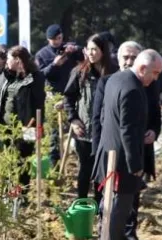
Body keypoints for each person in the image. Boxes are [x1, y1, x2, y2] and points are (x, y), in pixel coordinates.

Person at [93, 49, 162, 240]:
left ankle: (104, 238)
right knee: (122, 203)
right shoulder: (133, 89)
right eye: (155, 73)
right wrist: (135, 165)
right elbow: (129, 130)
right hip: (122, 157)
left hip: (108, 149)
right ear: (143, 68)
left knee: (109, 200)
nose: (156, 78)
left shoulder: (116, 79)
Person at [62, 33, 118, 199]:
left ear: (103, 51)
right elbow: (69, 97)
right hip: (84, 129)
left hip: (106, 130)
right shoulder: (79, 72)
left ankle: (100, 205)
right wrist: (73, 119)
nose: (92, 53)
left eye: (95, 49)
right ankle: (82, 203)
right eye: (89, 49)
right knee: (85, 167)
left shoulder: (114, 72)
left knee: (102, 168)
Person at [0, 46, 45, 195]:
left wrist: (35, 127)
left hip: (27, 126)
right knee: (7, 160)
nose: (6, 62)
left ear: (18, 60)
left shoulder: (35, 78)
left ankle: (22, 194)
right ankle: (8, 192)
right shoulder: (6, 76)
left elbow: (38, 104)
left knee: (23, 161)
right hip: (6, 126)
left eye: (9, 59)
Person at [35, 24, 82, 165]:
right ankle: (54, 165)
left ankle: (82, 162)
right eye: (53, 40)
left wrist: (75, 49)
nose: (57, 42)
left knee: (78, 130)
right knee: (54, 136)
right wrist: (54, 65)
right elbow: (40, 75)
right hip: (53, 97)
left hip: (72, 95)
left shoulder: (69, 50)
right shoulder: (42, 54)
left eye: (59, 38)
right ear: (48, 39)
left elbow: (84, 57)